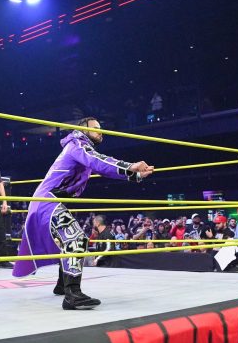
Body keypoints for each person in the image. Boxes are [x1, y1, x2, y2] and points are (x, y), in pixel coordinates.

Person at [12, 117, 154, 310]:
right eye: (95, 128)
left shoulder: (82, 148)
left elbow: (103, 167)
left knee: (70, 240)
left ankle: (62, 285)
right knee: (76, 238)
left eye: (101, 128)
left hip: (48, 200)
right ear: (82, 130)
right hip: (47, 200)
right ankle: (72, 295)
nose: (100, 131)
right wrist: (130, 166)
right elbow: (98, 161)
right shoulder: (76, 145)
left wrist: (135, 174)